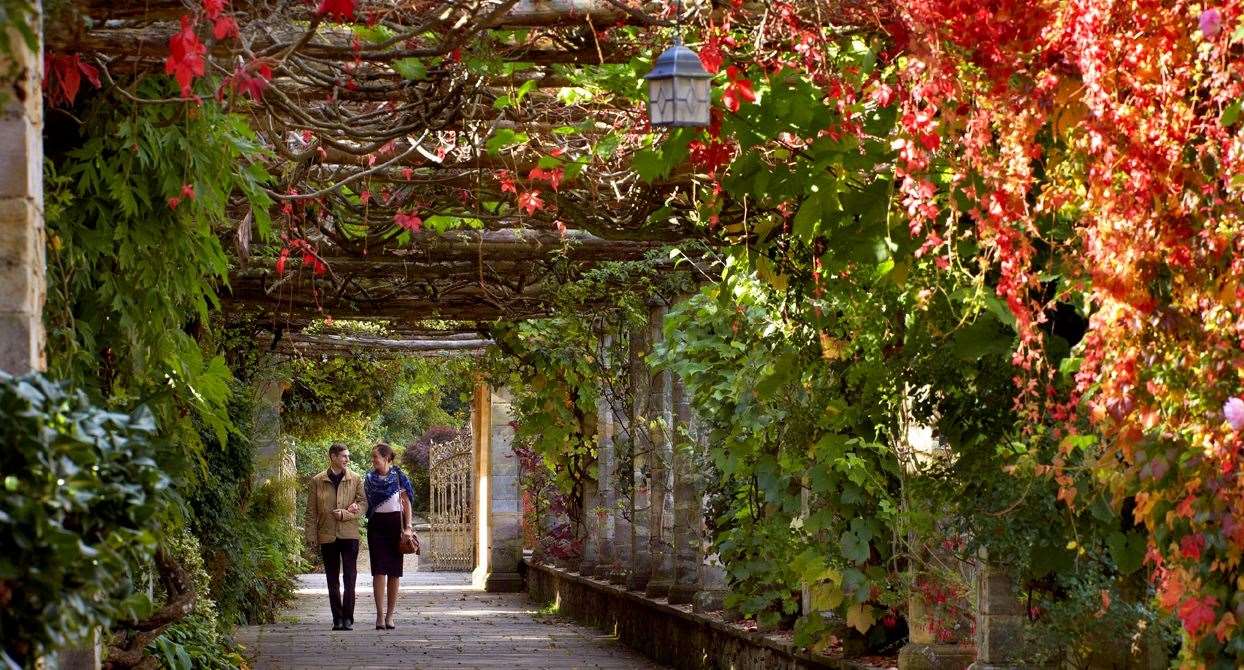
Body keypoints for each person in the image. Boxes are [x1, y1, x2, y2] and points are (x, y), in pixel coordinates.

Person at [305, 443, 364, 631]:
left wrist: (346, 514)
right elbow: (310, 511)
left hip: (349, 535)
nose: (347, 459)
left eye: (348, 456)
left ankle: (348, 618)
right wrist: (310, 535)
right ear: (333, 457)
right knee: (332, 578)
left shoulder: (355, 478)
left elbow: (363, 504)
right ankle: (337, 618)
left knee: (350, 577)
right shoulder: (317, 480)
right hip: (327, 534)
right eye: (344, 456)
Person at [363, 442, 416, 630]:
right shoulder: (368, 478)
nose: (373, 460)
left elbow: (406, 502)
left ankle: (390, 616)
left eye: (375, 457)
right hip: (376, 526)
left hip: (395, 525)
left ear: (386, 458)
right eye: (373, 457)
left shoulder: (399, 477)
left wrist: (408, 527)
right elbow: (364, 503)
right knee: (378, 571)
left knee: (394, 572)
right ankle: (379, 616)